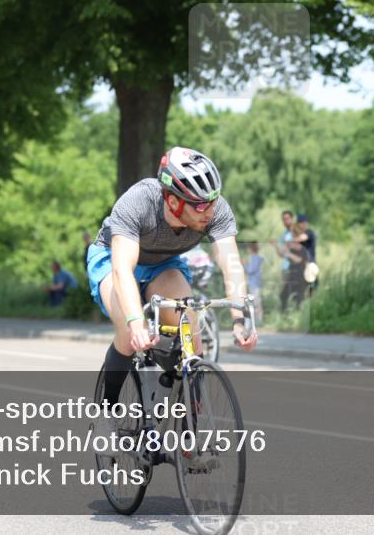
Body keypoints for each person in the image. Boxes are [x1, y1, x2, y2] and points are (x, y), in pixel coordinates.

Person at [87, 147, 258, 438]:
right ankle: (107, 412)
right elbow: (122, 271)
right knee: (129, 331)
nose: (209, 211)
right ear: (173, 201)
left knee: (189, 328)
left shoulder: (215, 211)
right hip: (113, 260)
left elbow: (231, 264)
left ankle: (189, 425)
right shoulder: (138, 202)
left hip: (164, 264)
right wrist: (136, 322)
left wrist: (240, 318)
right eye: (199, 206)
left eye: (212, 202)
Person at [292, 213, 319, 294]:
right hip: (302, 265)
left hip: (310, 264)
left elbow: (302, 238)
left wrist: (293, 239)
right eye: (300, 223)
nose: (302, 224)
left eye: (303, 222)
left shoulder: (309, 232)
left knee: (311, 288)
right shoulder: (298, 235)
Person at [243, 242, 264, 326]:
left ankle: (258, 321)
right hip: (254, 283)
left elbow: (250, 270)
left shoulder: (254, 258)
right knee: (254, 302)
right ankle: (255, 320)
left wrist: (245, 264)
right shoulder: (256, 258)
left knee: (256, 302)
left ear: (251, 249)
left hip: (254, 283)